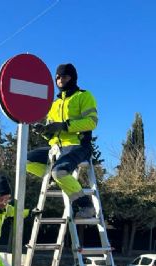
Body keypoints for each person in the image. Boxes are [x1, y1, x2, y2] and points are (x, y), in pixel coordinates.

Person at [28, 63, 99, 219]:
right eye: (57, 77)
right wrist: (44, 131)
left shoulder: (84, 96)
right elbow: (52, 131)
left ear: (72, 77)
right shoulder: (54, 104)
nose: (60, 79)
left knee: (59, 172)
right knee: (25, 161)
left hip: (78, 145)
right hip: (56, 148)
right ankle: (54, 178)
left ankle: (86, 205)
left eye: (64, 76)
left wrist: (65, 126)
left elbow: (92, 122)